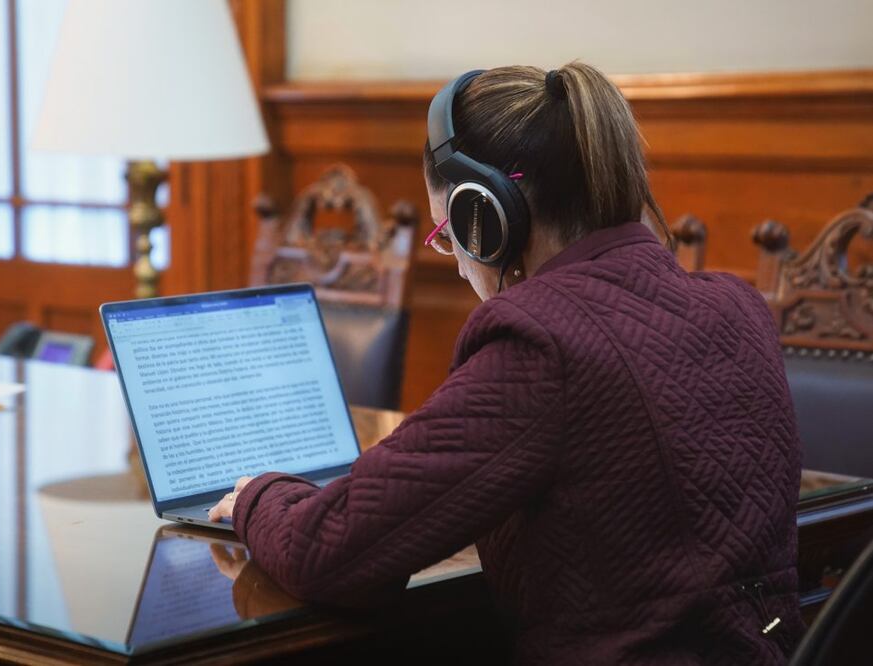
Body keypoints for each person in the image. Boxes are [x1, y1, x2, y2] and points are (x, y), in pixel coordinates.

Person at [209, 62, 802, 664]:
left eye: (448, 234)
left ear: (486, 218)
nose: (458, 262)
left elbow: (331, 553)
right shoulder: (738, 306)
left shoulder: (541, 341)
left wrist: (259, 494)